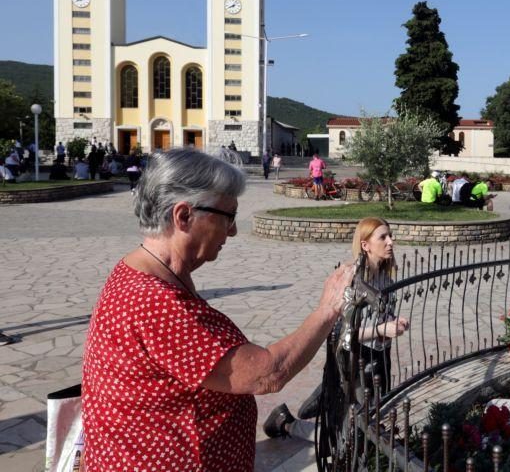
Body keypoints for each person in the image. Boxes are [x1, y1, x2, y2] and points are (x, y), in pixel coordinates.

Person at [81, 148, 356, 471]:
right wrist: (327, 309)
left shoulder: (147, 271)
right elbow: (267, 374)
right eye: (228, 217)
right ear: (183, 216)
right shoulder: (155, 301)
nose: (233, 231)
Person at [264, 217, 410, 440]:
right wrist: (381, 330)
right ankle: (285, 423)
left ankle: (324, 395)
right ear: (365, 245)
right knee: (344, 436)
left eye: (391, 236)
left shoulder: (385, 277)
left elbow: (380, 316)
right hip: (352, 359)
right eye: (383, 237)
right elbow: (344, 333)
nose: (391, 242)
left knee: (369, 416)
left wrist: (394, 321)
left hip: (378, 357)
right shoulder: (352, 280)